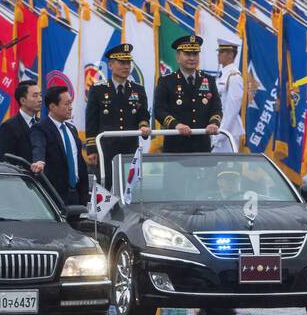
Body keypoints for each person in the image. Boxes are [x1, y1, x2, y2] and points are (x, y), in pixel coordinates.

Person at [84, 43, 150, 186]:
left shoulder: (138, 89)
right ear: (110, 65)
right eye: (121, 63)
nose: (126, 67)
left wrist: (144, 126)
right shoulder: (98, 90)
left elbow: (144, 114)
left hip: (130, 147)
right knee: (107, 185)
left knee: (130, 185)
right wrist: (91, 150)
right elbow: (91, 122)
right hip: (106, 148)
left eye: (128, 63)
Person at [153, 34, 221, 154]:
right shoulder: (166, 81)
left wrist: (213, 123)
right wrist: (176, 125)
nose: (192, 58)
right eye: (187, 54)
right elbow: (159, 110)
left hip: (202, 146)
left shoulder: (208, 80)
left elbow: (216, 108)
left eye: (195, 54)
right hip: (176, 146)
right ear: (178, 57)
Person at [31, 85, 90, 206]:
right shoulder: (40, 128)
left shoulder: (72, 129)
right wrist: (39, 161)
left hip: (77, 196)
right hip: (55, 197)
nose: (71, 108)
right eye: (67, 104)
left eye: (71, 103)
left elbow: (79, 163)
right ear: (53, 107)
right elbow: (38, 146)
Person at [0, 80, 42, 166]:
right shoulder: (9, 127)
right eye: (35, 96)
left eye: (40, 95)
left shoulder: (42, 124)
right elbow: (5, 161)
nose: (40, 99)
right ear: (23, 100)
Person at [214, 40, 244, 153]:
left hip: (228, 131)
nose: (218, 55)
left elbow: (232, 109)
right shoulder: (223, 75)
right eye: (219, 51)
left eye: (221, 52)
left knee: (225, 168)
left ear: (231, 54)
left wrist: (220, 133)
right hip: (218, 128)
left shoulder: (234, 77)